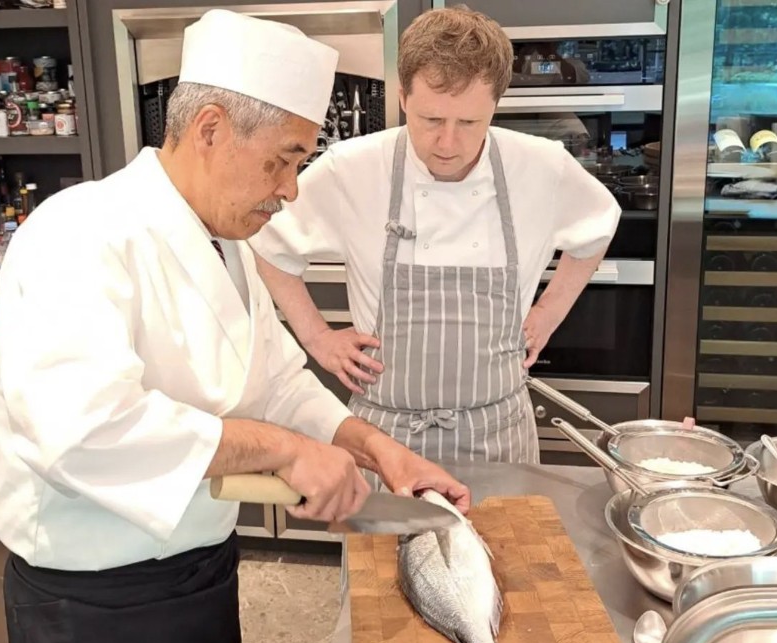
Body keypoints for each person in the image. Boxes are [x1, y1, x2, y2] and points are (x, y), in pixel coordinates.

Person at [0, 10, 469, 643]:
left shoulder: (224, 243)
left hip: (201, 576)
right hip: (95, 611)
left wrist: (378, 451)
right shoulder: (79, 234)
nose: (291, 190)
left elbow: (278, 379)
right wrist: (286, 450)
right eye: (282, 160)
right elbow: (86, 429)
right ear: (210, 129)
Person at [250, 6, 621, 467]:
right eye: (430, 120)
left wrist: (547, 313)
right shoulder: (353, 168)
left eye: (468, 123)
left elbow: (598, 228)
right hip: (383, 439)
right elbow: (268, 244)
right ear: (403, 97)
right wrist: (317, 337)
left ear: (495, 106)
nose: (448, 144)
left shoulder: (541, 166)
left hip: (498, 437)